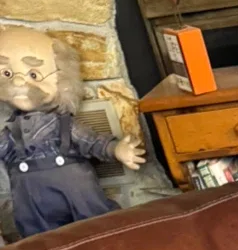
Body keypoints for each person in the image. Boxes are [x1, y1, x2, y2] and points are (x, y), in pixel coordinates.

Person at [0, 26, 145, 239]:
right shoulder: (8, 131)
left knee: (100, 229)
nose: (19, 81)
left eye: (34, 73)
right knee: (39, 242)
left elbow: (92, 141)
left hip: (77, 192)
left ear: (62, 80)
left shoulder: (63, 124)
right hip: (31, 202)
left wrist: (116, 149)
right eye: (6, 73)